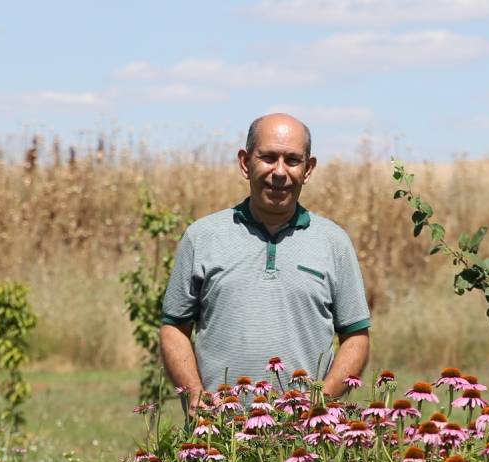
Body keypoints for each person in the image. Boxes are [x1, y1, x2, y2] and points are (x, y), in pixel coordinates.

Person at [159, 113, 371, 413]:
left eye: (293, 160)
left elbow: (356, 337)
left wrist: (320, 403)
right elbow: (174, 329)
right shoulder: (202, 237)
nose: (280, 172)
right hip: (219, 435)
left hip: (301, 437)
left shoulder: (333, 242)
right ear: (245, 163)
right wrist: (195, 395)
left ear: (308, 169)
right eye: (268, 157)